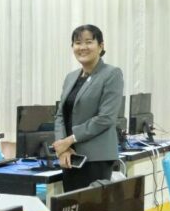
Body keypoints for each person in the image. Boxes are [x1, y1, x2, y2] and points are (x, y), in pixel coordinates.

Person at [52, 24, 124, 192]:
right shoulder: (70, 77)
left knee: (92, 207)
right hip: (70, 157)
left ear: (101, 46)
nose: (83, 47)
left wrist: (69, 140)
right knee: (71, 206)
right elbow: (60, 115)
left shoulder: (111, 74)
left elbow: (106, 118)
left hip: (96, 158)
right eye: (78, 43)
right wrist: (63, 148)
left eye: (89, 42)